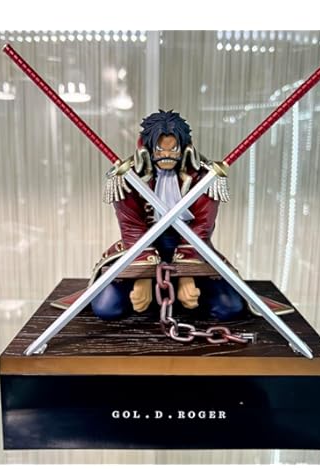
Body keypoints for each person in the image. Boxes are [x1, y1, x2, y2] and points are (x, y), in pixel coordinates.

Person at [90, 110, 245, 321]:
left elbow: (202, 227)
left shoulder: (206, 177)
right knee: (107, 308)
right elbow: (131, 227)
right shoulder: (127, 177)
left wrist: (186, 275)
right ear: (145, 147)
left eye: (173, 149)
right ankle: (157, 290)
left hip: (191, 247)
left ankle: (175, 293)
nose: (167, 155)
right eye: (159, 149)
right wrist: (143, 276)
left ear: (185, 147)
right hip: (140, 247)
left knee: (229, 307)